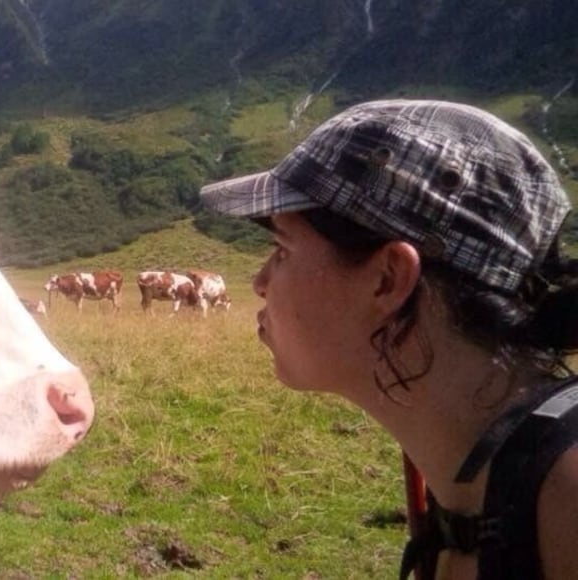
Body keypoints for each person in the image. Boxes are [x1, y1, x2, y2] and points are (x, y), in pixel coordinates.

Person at [199, 100, 578, 579]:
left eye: (281, 249)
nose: (259, 281)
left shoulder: (566, 502)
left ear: (388, 279)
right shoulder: (476, 494)